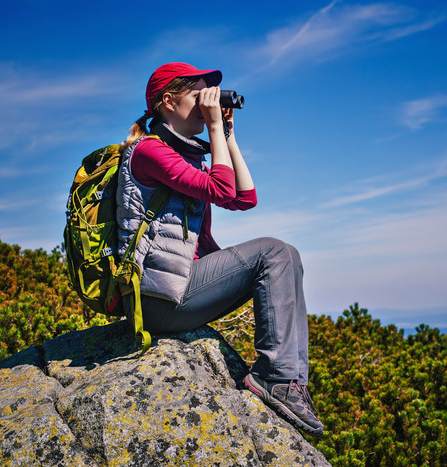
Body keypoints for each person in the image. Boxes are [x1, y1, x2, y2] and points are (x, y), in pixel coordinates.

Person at [116, 62, 323, 437]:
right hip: (158, 301)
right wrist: (213, 127)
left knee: (286, 254)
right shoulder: (147, 151)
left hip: (177, 291)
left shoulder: (185, 154)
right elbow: (223, 191)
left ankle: (288, 380)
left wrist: (226, 134)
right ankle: (276, 378)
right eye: (198, 95)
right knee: (274, 253)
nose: (206, 102)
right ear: (167, 101)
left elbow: (244, 198)